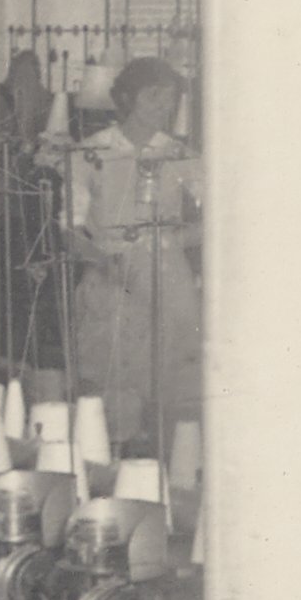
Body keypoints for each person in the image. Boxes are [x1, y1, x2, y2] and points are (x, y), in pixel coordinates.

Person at [54, 54, 197, 448]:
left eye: (169, 99)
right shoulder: (90, 153)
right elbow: (68, 231)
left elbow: (218, 216)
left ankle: (161, 465)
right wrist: (104, 261)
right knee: (111, 390)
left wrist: (174, 243)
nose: (163, 107)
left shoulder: (178, 154)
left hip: (169, 280)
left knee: (168, 389)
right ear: (126, 98)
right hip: (111, 278)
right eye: (153, 96)